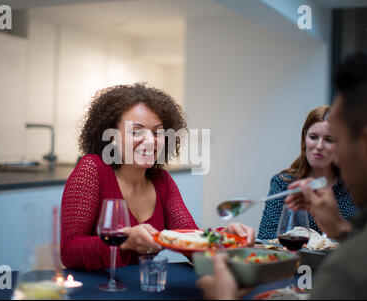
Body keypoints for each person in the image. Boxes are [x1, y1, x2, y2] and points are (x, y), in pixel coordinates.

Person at [197, 46, 367, 299]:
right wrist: (338, 229)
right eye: (313, 136)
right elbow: (268, 240)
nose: (323, 148)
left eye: (336, 140)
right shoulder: (285, 181)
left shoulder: (348, 271)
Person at [60, 83, 255, 270]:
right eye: (136, 131)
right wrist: (124, 242)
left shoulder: (161, 180)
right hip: (96, 289)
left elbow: (190, 240)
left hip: (139, 288)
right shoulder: (91, 169)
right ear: (112, 136)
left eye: (157, 132)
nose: (150, 140)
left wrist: (224, 238)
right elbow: (69, 251)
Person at [257, 105, 357, 240]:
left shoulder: (353, 187)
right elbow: (266, 238)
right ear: (304, 137)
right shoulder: (284, 183)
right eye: (313, 137)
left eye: (329, 139)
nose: (319, 146)